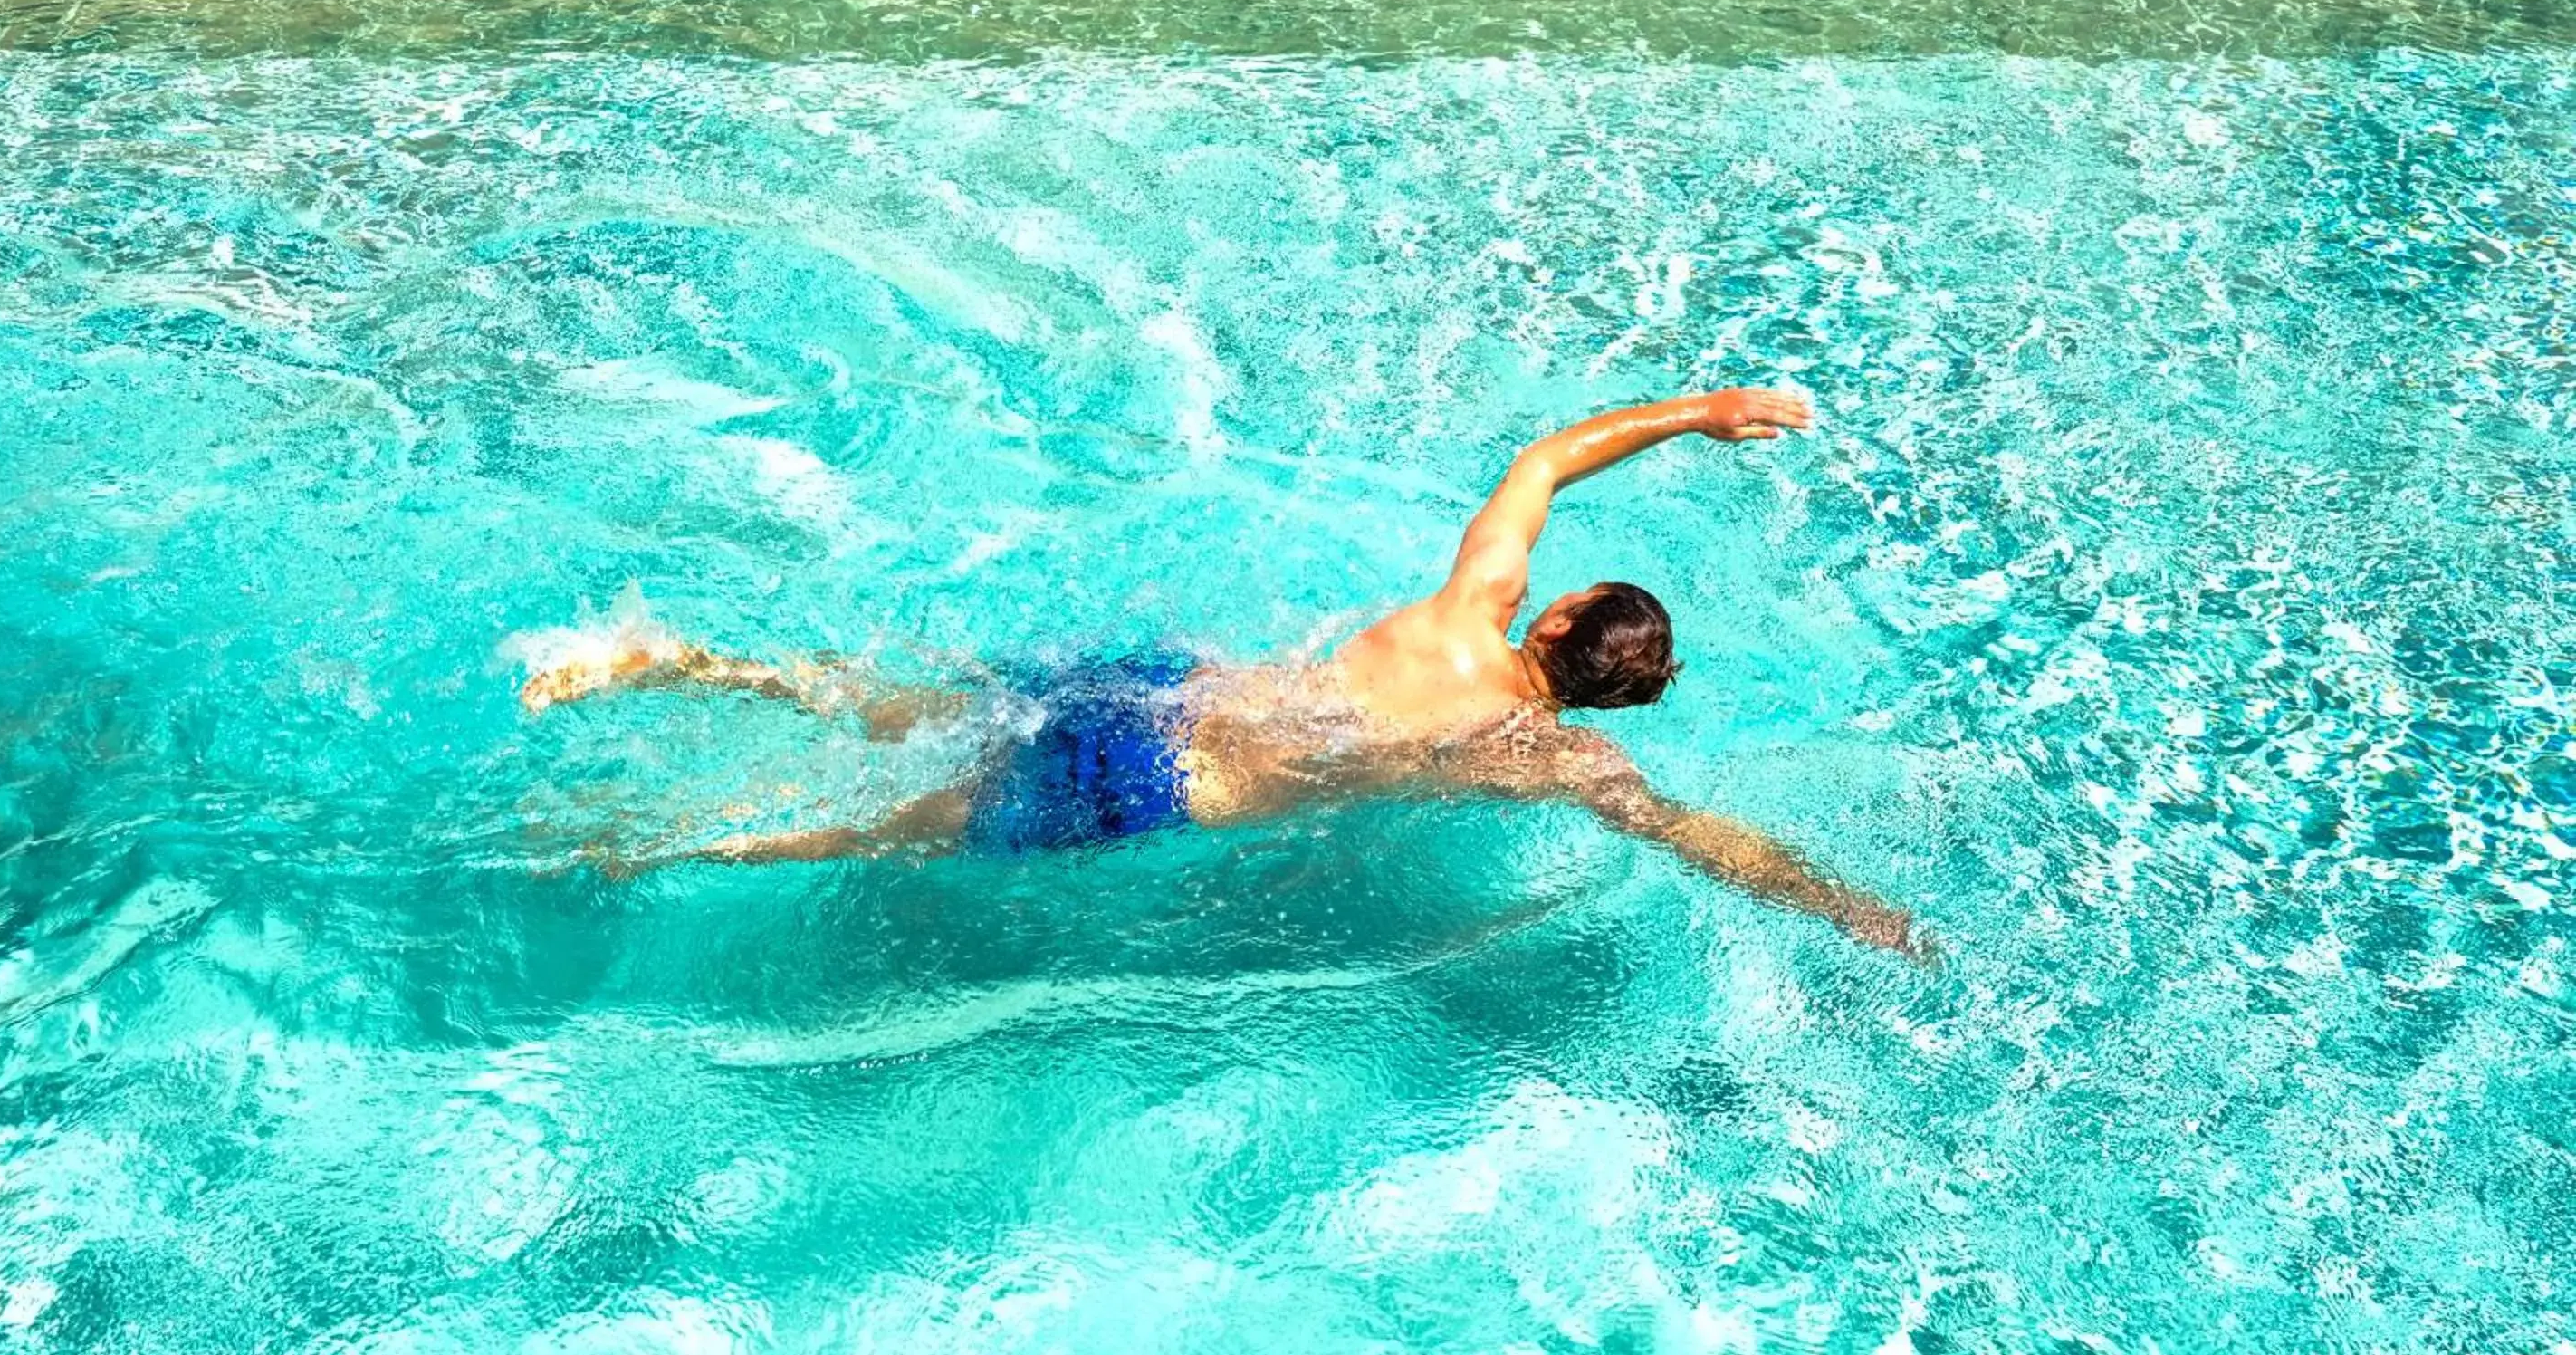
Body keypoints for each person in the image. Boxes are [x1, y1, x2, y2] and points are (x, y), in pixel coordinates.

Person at [522, 387, 1929, 959]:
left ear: (1553, 618)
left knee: (908, 704)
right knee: (892, 824)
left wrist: (1707, 414)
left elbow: (1550, 456)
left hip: (1157, 688)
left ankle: (679, 663)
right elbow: (1697, 839)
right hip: (1167, 781)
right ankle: (649, 850)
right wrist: (1845, 905)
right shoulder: (1553, 760)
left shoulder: (1470, 602)